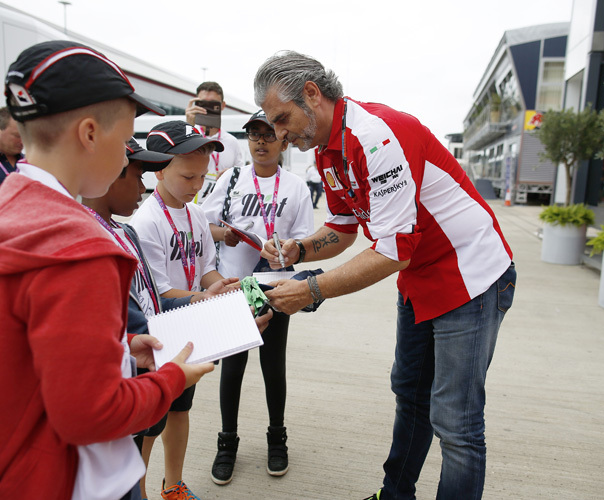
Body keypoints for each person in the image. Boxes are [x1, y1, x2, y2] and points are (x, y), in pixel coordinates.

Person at [0, 40, 215, 500]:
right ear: (87, 134)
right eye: (125, 143)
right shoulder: (80, 248)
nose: (127, 159)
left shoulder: (4, 212)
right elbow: (90, 415)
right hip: (59, 478)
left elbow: (24, 341)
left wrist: (119, 347)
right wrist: (171, 380)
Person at [254, 51, 517, 500]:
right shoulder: (327, 153)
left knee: (456, 422)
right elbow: (343, 226)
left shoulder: (377, 136)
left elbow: (394, 250)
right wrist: (300, 249)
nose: (277, 134)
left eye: (281, 118)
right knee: (410, 396)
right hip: (420, 278)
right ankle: (395, 495)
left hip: (470, 278)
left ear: (312, 95)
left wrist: (312, 289)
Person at [81, 137, 272, 500]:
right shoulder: (126, 229)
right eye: (139, 175)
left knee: (176, 411)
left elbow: (158, 301)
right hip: (141, 363)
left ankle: (172, 486)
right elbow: (151, 310)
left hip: (165, 343)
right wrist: (217, 312)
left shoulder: (124, 232)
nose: (144, 185)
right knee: (144, 431)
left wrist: (228, 303)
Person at [202, 110, 314, 485]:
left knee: (273, 365)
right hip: (235, 285)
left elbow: (304, 239)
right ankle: (227, 441)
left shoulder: (296, 187)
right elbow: (206, 225)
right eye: (255, 135)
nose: (261, 142)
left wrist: (286, 249)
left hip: (276, 284)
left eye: (269, 135)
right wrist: (226, 234)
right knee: (233, 367)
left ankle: (276, 438)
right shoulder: (231, 179)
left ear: (283, 141)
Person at [129, 120, 226, 500]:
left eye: (203, 177)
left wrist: (223, 288)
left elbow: (206, 270)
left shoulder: (196, 214)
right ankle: (139, 492)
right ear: (159, 168)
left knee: (181, 410)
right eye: (189, 177)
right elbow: (160, 292)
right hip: (157, 335)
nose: (197, 186)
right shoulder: (145, 221)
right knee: (150, 423)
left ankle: (173, 486)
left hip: (190, 330)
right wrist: (209, 300)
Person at [184, 81, 244, 204]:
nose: (207, 108)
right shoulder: (188, 135)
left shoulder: (231, 142)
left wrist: (231, 174)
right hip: (191, 206)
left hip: (221, 207)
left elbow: (242, 177)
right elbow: (177, 165)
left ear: (222, 106)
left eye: (213, 104)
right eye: (203, 103)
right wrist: (188, 126)